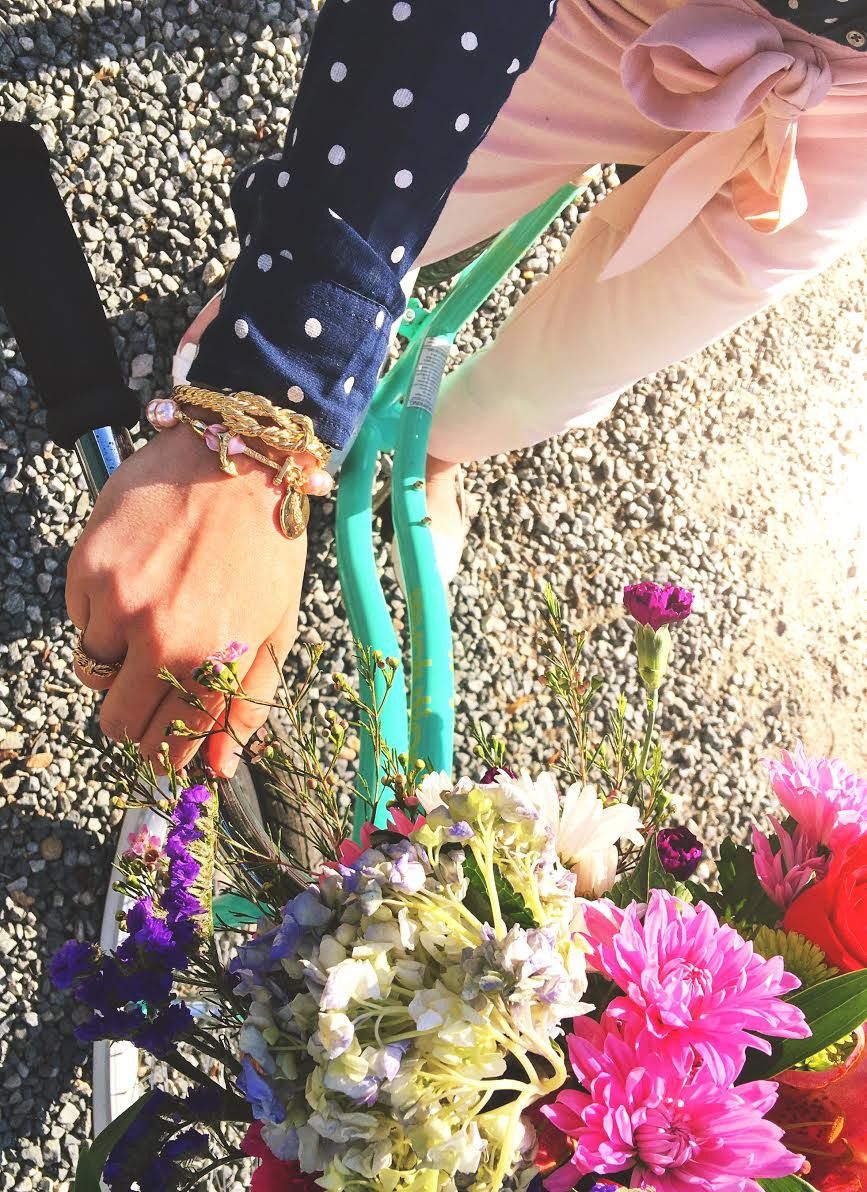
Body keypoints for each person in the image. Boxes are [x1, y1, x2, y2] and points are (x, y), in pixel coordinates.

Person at [65, 0, 867, 779]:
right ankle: (268, 320)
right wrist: (264, 399)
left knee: (553, 383)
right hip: (603, 16)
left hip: (847, 126)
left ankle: (442, 446)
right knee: (385, 223)